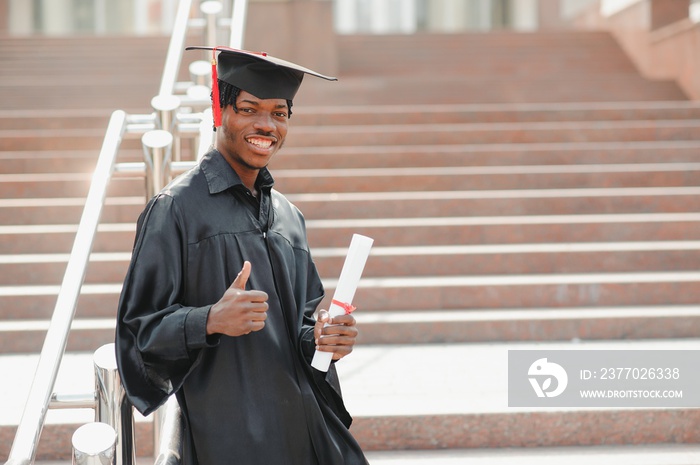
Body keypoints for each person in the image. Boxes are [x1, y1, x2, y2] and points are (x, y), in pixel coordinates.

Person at [116, 46, 368, 465]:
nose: (266, 125)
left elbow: (302, 325)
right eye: (249, 109)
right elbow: (137, 334)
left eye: (280, 113)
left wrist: (323, 338)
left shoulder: (289, 217)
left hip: (306, 432)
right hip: (230, 437)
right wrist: (209, 319)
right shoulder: (176, 209)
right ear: (221, 111)